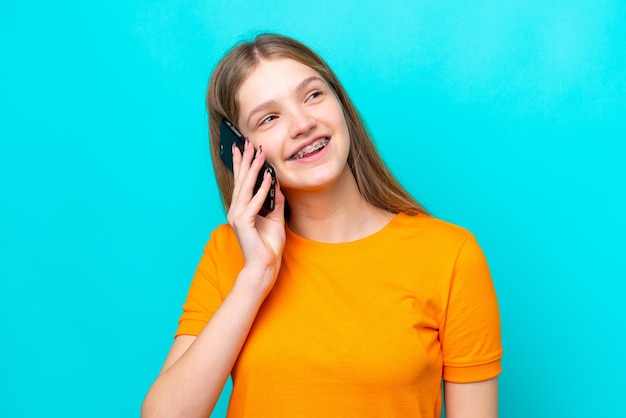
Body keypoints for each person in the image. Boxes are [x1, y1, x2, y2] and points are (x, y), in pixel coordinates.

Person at [142, 33, 502, 418]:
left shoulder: (450, 256)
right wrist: (257, 275)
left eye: (313, 95)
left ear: (341, 105)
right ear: (240, 151)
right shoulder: (229, 252)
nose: (302, 123)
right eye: (269, 118)